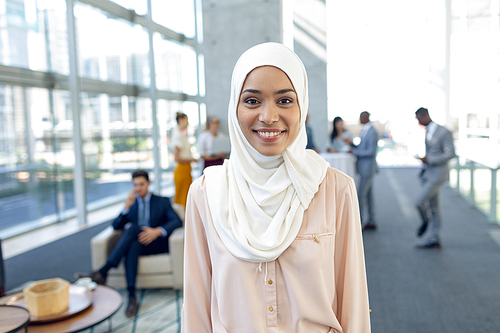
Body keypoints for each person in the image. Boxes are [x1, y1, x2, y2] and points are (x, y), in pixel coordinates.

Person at [181, 43, 370, 332]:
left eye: (284, 101)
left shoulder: (335, 189)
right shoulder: (206, 193)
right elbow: (196, 305)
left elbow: (353, 302)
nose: (268, 117)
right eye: (253, 101)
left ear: (302, 106)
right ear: (235, 107)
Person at [75, 170, 182, 317]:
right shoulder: (132, 204)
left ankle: (103, 271)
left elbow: (177, 221)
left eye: (141, 184)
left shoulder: (161, 201)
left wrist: (157, 231)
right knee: (132, 244)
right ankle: (132, 298)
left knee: (132, 230)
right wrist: (126, 208)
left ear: (148, 184)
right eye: (135, 185)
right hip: (138, 245)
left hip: (155, 244)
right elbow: (116, 226)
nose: (138, 188)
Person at [414, 107, 456, 249]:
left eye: (418, 119)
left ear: (424, 115)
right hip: (428, 174)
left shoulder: (443, 132)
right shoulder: (428, 131)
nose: (418, 122)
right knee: (435, 208)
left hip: (437, 175)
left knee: (419, 202)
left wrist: (429, 159)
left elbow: (450, 153)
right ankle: (434, 239)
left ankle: (425, 221)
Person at [352, 111, 379, 230]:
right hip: (365, 168)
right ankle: (371, 220)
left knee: (360, 195)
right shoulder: (366, 130)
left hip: (367, 168)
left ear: (365, 118)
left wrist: (355, 152)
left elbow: (371, 152)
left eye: (360, 117)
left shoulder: (372, 131)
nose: (359, 119)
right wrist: (352, 146)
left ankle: (360, 222)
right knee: (368, 195)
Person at [171, 112, 198, 207]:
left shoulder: (181, 135)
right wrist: (191, 159)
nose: (188, 123)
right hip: (182, 170)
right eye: (186, 121)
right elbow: (177, 157)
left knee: (186, 199)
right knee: (182, 201)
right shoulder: (178, 135)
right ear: (181, 121)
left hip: (186, 170)